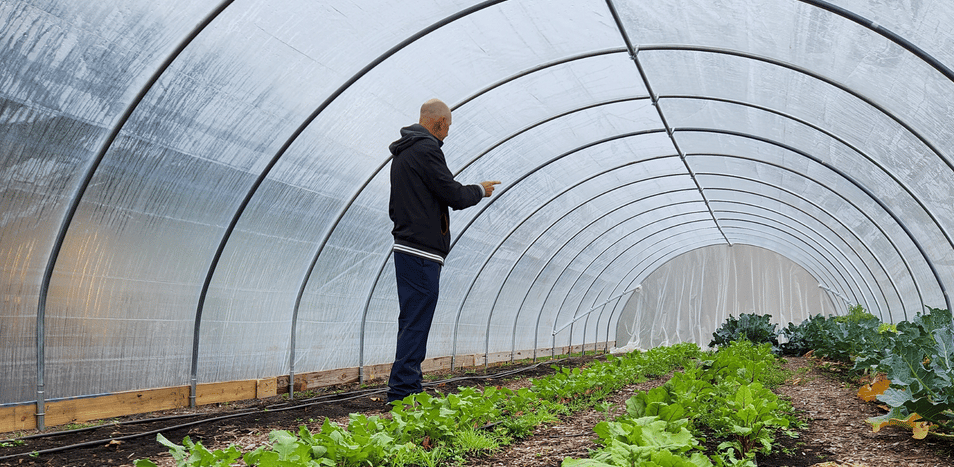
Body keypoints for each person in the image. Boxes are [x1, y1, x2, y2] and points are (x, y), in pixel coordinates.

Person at [387, 98, 500, 403]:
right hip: (421, 252)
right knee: (416, 321)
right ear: (438, 123)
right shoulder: (426, 150)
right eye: (447, 126)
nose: (448, 133)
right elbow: (453, 194)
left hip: (407, 247)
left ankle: (406, 387)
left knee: (411, 319)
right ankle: (403, 392)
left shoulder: (403, 154)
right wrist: (480, 190)